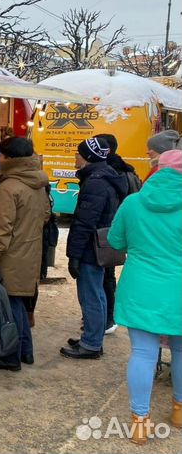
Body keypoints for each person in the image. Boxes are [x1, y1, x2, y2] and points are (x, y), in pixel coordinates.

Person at [107, 149, 182, 444]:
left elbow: (115, 240)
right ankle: (178, 411)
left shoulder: (133, 202)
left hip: (140, 287)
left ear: (157, 170)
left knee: (142, 353)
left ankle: (140, 422)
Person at [0, 138, 50, 371]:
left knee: (8, 306)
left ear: (8, 159)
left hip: (11, 255)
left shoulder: (8, 188)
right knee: (17, 302)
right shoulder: (37, 182)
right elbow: (45, 216)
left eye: (1, 155)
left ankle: (11, 356)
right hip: (29, 251)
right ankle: (25, 351)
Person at [61, 137, 128, 359]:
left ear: (88, 157)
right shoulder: (104, 177)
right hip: (98, 245)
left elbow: (84, 222)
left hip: (91, 247)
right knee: (96, 293)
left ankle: (91, 343)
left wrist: (74, 255)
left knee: (90, 295)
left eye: (78, 154)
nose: (75, 157)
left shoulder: (95, 182)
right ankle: (93, 336)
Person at [93, 133, 142, 335]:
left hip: (108, 230)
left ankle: (106, 317)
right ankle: (107, 316)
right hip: (117, 230)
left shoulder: (110, 173)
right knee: (108, 275)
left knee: (105, 276)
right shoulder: (128, 171)